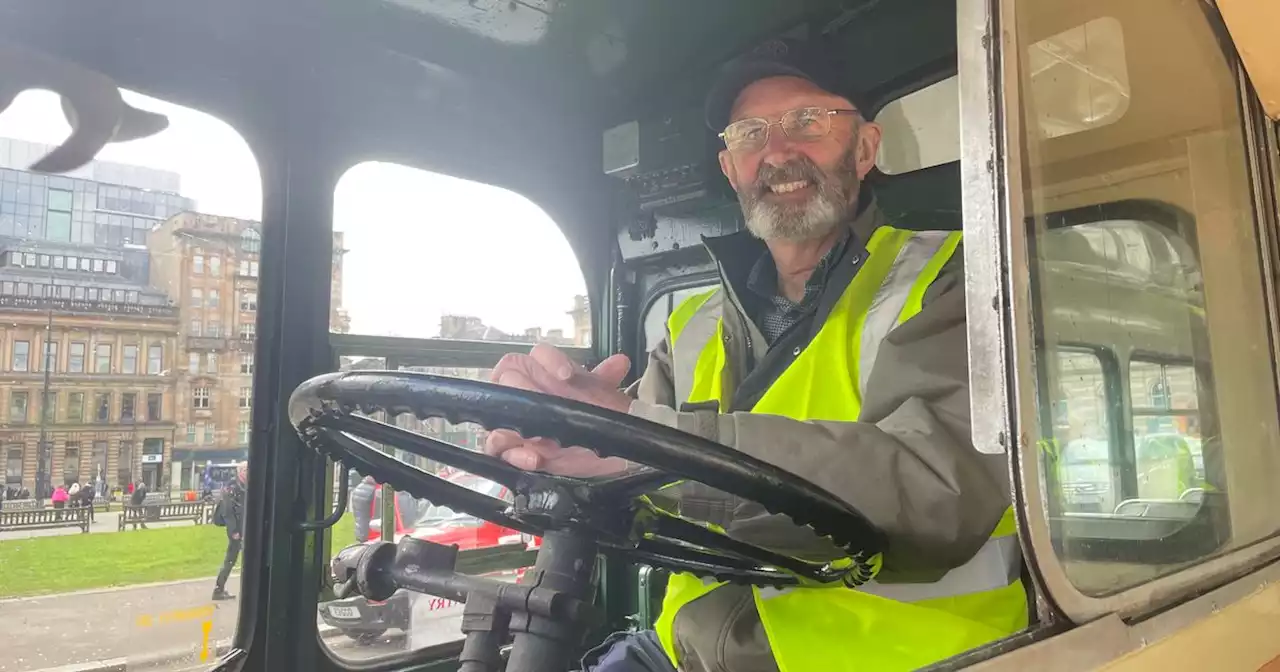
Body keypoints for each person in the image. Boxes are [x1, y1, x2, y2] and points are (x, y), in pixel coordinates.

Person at [487, 40, 1025, 672]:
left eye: (807, 122)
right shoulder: (690, 325)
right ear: (730, 167)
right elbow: (639, 472)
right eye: (749, 134)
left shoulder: (953, 278)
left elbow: (937, 491)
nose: (777, 152)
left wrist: (647, 442)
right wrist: (562, 439)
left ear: (865, 148)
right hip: (684, 651)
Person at [212, 462, 247, 601]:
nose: (247, 472)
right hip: (236, 531)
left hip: (245, 528)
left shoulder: (247, 486)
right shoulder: (231, 488)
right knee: (230, 560)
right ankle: (218, 589)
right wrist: (234, 531)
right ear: (239, 472)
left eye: (248, 469)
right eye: (244, 469)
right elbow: (227, 512)